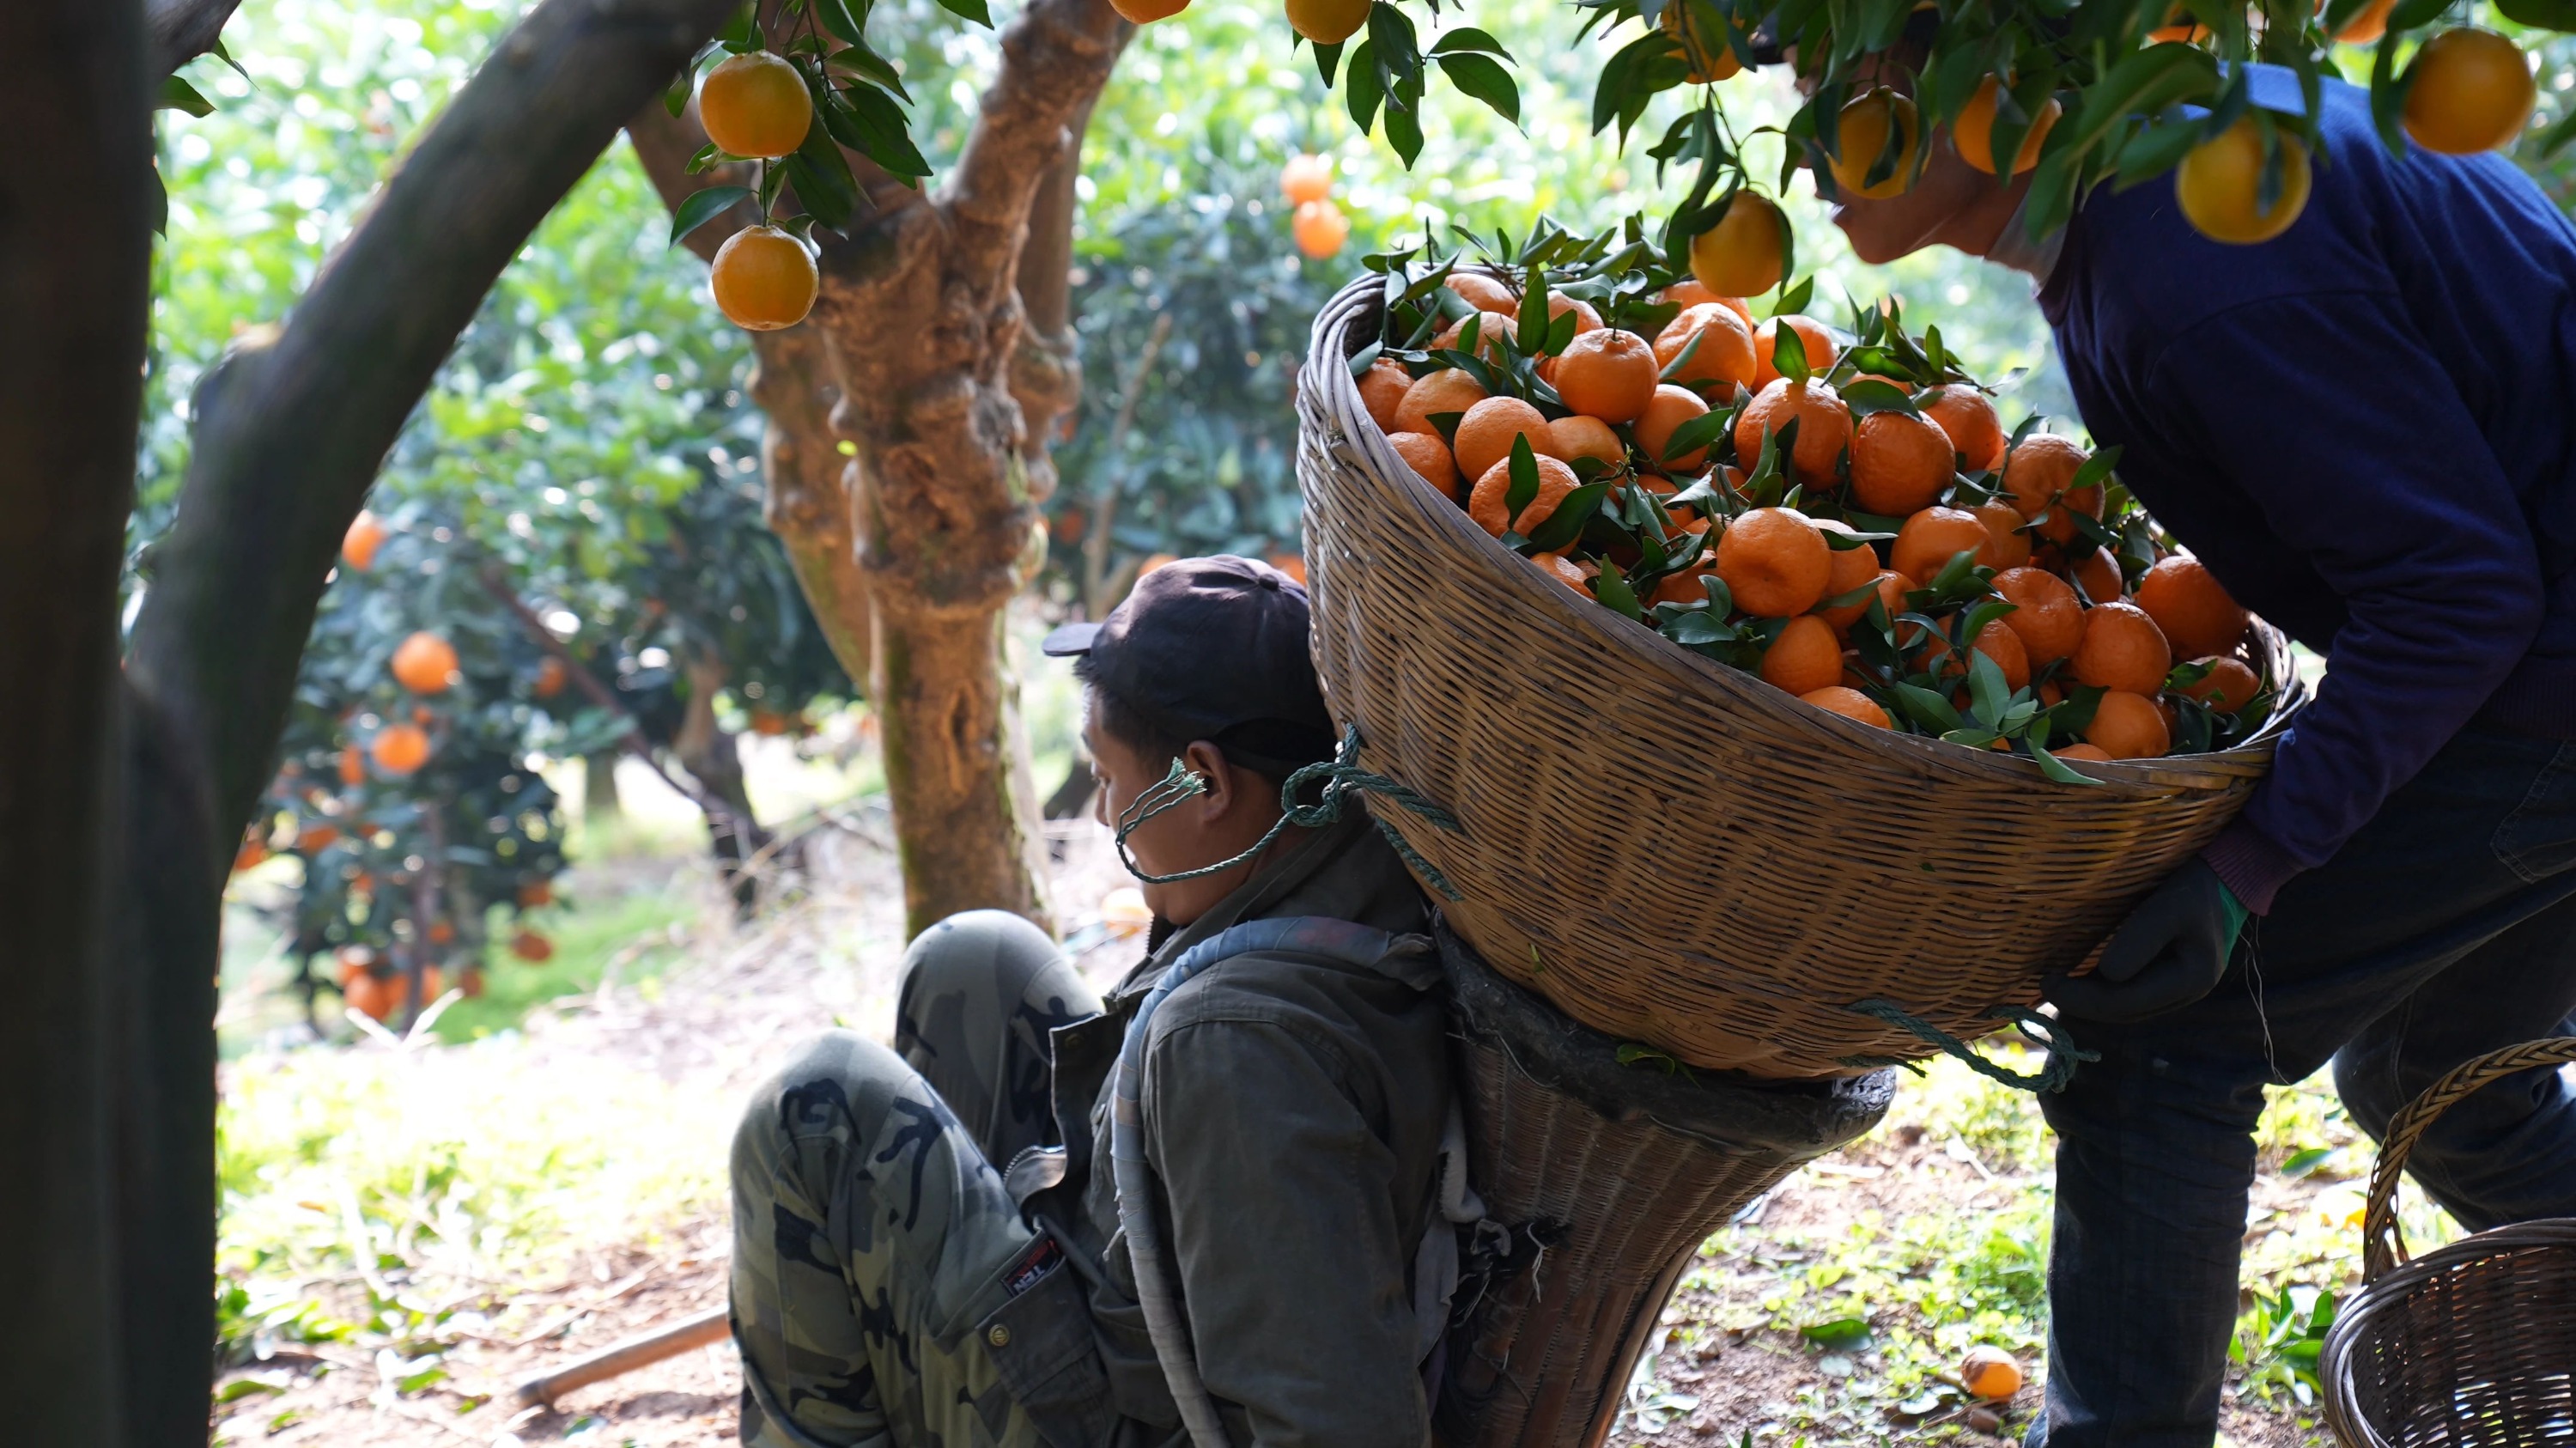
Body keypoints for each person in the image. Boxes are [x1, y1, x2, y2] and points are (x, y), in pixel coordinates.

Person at [1814, 52, 2576, 1448]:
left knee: (2161, 1033)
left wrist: (2254, 856)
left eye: (1842, 79)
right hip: (2537, 662)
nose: (1801, 138)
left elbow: (2460, 594)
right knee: (2445, 1068)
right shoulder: (2162, 185)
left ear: (1980, 66)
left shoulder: (2192, 247)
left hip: (2547, 688)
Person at [725, 555, 1456, 1448]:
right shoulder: (1339, 851)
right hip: (1118, 1312)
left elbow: (1333, 1419)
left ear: (1207, 781)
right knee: (980, 959)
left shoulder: (1233, 1049)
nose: (1107, 814)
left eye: (1109, 777)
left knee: (818, 1102)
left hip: (1118, 1416)